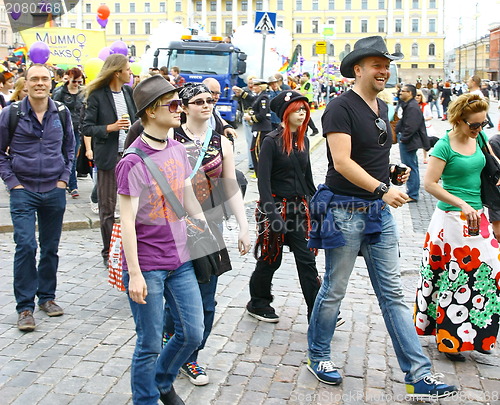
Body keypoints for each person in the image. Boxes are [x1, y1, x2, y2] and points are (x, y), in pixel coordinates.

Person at [306, 36, 458, 401]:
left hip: (376, 212)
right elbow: (341, 162)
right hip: (345, 211)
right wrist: (381, 189)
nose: (384, 70)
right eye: (377, 64)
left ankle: (418, 375)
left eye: (386, 64)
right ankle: (319, 355)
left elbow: (366, 156)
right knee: (334, 289)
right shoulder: (340, 107)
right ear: (357, 69)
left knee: (392, 294)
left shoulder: (383, 106)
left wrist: (391, 172)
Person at [116, 75, 205, 405]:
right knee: (149, 342)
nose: (180, 108)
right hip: (148, 265)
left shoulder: (177, 149)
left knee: (192, 333)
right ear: (151, 112)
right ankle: (146, 399)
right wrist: (135, 274)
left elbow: (184, 195)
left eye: (179, 102)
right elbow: (126, 220)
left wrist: (202, 221)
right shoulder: (132, 162)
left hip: (179, 260)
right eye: (173, 104)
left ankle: (162, 380)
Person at [163, 82, 251, 386]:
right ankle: (169, 343)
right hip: (172, 225)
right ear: (184, 107)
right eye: (198, 101)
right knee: (174, 295)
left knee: (207, 299)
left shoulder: (222, 143)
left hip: (208, 227)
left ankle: (192, 357)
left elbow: (230, 187)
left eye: (209, 100)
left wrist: (243, 226)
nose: (205, 104)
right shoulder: (169, 137)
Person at [414, 93, 500, 363]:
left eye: (483, 124)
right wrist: (461, 203)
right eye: (474, 125)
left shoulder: (481, 139)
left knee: (488, 272)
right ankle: (450, 340)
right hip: (451, 218)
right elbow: (430, 184)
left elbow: (491, 163)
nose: (478, 129)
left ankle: (480, 335)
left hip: (478, 217)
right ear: (458, 120)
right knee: (456, 278)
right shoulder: (444, 145)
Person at [0, 64, 75, 332]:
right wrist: (13, 183)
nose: (40, 83)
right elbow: (0, 153)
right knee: (26, 246)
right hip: (24, 190)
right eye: (35, 79)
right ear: (26, 83)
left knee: (50, 248)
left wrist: (64, 179)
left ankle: (47, 298)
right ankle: (24, 308)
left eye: (44, 79)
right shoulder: (12, 113)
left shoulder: (62, 113)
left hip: (53, 190)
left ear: (52, 83)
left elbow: (70, 148)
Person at [246, 90, 320, 323]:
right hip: (276, 207)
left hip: (299, 209)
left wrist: (319, 205)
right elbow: (263, 182)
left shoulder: (304, 140)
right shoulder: (271, 141)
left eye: (304, 109)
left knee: (307, 259)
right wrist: (272, 214)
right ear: (285, 113)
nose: (302, 113)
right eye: (297, 109)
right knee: (270, 258)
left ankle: (316, 310)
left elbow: (308, 180)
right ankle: (258, 301)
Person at [82, 54, 137, 267]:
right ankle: (108, 252)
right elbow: (86, 128)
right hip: (109, 157)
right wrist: (110, 128)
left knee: (133, 206)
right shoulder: (97, 96)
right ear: (117, 73)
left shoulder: (128, 92)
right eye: (127, 69)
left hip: (131, 156)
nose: (130, 73)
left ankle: (130, 248)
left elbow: (137, 119)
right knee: (107, 207)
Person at [53, 67, 85, 199]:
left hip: (77, 129)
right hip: (61, 128)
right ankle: (61, 181)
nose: (77, 84)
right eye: (74, 82)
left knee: (72, 156)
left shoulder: (83, 93)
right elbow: (54, 110)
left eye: (79, 82)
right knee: (59, 155)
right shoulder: (60, 92)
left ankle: (72, 185)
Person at [396, 84, 430, 202]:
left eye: (403, 91)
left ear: (410, 93)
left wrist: (403, 138)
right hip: (409, 140)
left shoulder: (412, 107)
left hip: (409, 141)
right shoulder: (409, 105)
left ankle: (413, 194)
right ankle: (412, 192)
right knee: (411, 165)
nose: (400, 93)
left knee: (410, 166)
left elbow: (411, 126)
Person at [232, 75, 256, 171]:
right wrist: (237, 94)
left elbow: (253, 100)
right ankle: (251, 164)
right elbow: (235, 99)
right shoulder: (244, 90)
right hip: (246, 117)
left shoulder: (255, 92)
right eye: (249, 83)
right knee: (250, 141)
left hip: (256, 117)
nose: (251, 85)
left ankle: (254, 162)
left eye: (253, 83)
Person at [415, 90, 437, 164]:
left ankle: (425, 157)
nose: (417, 97)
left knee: (425, 141)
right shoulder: (411, 105)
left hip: (425, 126)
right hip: (415, 127)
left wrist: (422, 119)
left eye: (419, 95)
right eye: (416, 95)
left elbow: (430, 116)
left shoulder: (425, 105)